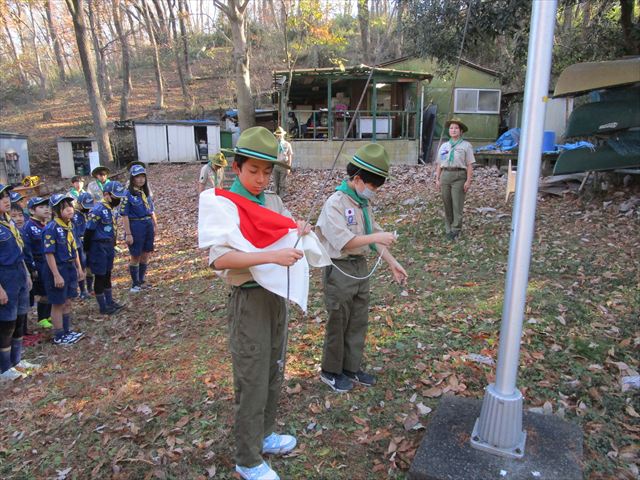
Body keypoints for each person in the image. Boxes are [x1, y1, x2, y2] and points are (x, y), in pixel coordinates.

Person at [208, 126, 307, 480]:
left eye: (268, 172)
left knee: (273, 369)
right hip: (248, 299)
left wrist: (300, 231)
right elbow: (219, 260)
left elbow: (286, 233)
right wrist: (270, 256)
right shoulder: (224, 205)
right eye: (253, 171)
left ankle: (264, 435)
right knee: (251, 377)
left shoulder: (273, 202)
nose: (261, 179)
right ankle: (247, 458)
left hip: (275, 296)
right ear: (237, 168)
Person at [315, 143, 408, 393]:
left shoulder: (362, 203)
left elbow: (372, 234)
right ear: (357, 179)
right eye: (372, 186)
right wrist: (377, 238)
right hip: (340, 269)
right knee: (339, 320)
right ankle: (330, 371)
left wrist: (393, 264)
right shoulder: (334, 203)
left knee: (358, 320)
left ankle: (351, 367)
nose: (373, 192)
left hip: (360, 268)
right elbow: (346, 241)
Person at [0, 184, 36, 381]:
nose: (6, 200)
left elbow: (18, 250)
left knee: (20, 318)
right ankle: (4, 368)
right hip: (4, 277)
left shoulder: (9, 222)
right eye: (1, 198)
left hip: (19, 273)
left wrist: (27, 274)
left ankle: (16, 360)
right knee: (7, 322)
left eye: (6, 196)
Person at [42, 194, 85, 345]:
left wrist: (79, 268)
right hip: (57, 268)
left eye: (70, 206)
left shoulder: (70, 225)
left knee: (67, 300)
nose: (69, 210)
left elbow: (74, 248)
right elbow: (49, 253)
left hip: (70, 266)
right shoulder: (51, 228)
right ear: (55, 211)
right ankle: (59, 335)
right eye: (64, 208)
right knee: (58, 303)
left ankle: (67, 331)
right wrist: (56, 275)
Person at [84, 181, 127, 315]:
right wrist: (87, 250)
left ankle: (109, 301)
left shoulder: (111, 209)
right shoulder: (98, 209)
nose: (118, 199)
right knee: (100, 276)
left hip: (108, 245)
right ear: (107, 195)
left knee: (108, 274)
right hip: (98, 246)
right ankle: (103, 306)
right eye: (116, 196)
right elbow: (89, 230)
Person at [435, 118, 475, 240]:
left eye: (456, 128)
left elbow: (469, 165)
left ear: (461, 131)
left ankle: (456, 229)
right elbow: (439, 163)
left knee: (457, 203)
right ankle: (448, 228)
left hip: (459, 176)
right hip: (445, 175)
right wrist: (437, 178)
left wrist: (468, 180)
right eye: (451, 128)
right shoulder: (444, 146)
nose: (453, 130)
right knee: (447, 202)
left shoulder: (466, 146)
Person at [121, 165, 157, 293]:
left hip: (147, 224)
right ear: (132, 178)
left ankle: (141, 280)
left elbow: (151, 210)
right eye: (137, 177)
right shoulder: (127, 194)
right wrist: (128, 233)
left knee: (146, 253)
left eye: (143, 176)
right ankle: (135, 284)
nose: (141, 179)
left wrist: (155, 224)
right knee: (135, 255)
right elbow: (124, 215)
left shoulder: (145, 192)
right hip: (135, 226)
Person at [22, 197, 52, 329]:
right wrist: (32, 267)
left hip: (48, 261)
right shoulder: (29, 226)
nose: (46, 209)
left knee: (50, 288)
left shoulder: (46, 224)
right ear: (31, 211)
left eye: (46, 206)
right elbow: (27, 249)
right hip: (38, 263)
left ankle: (49, 314)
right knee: (43, 291)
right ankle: (42, 317)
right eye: (41, 207)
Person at [73, 192, 95, 299]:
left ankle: (90, 288)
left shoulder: (89, 213)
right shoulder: (74, 216)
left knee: (90, 266)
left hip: (89, 242)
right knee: (81, 267)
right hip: (79, 243)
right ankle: (82, 290)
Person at [273, 126, 293, 197]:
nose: (279, 136)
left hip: (283, 165)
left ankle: (281, 196)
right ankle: (276, 195)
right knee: (276, 182)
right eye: (277, 135)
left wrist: (288, 167)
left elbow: (290, 155)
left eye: (280, 135)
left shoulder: (287, 144)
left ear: (283, 135)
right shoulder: (274, 144)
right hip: (275, 164)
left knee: (282, 182)